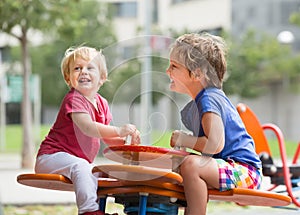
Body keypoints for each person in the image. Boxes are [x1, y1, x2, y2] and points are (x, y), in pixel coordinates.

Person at [35, 46, 140, 215]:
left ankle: (117, 207)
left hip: (73, 162)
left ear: (102, 77)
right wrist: (120, 130)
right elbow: (88, 127)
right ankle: (89, 211)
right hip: (51, 157)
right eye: (77, 68)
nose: (83, 72)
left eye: (90, 68)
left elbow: (107, 137)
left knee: (101, 173)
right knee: (84, 168)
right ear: (69, 78)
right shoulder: (74, 99)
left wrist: (127, 145)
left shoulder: (102, 103)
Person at [166, 33, 262, 215]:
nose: (167, 71)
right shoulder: (203, 100)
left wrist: (185, 139)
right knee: (179, 162)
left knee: (191, 165)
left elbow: (215, 144)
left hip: (244, 171)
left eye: (174, 66)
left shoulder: (209, 98)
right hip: (227, 167)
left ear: (197, 73)